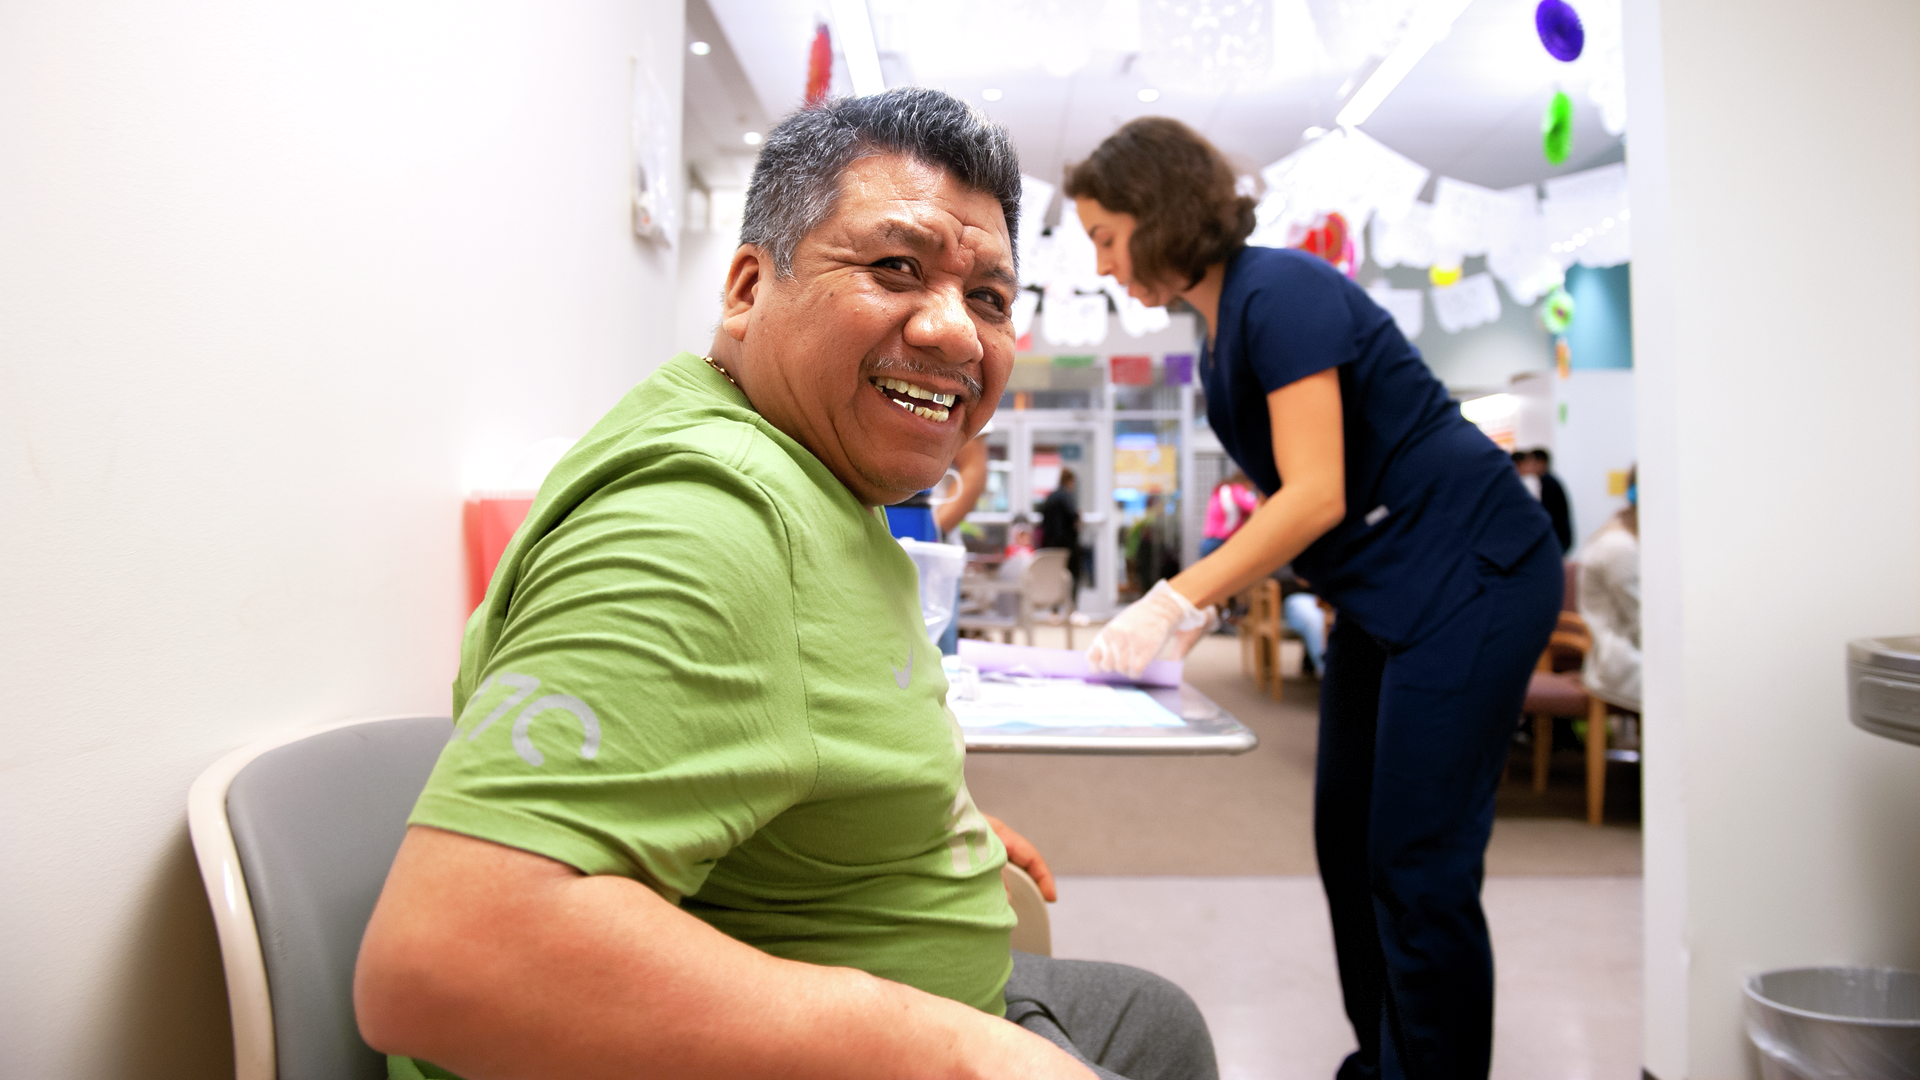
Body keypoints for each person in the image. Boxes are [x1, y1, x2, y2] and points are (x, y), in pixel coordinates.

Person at [354, 89, 1216, 1080]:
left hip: (895, 979)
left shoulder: (819, 474)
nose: (956, 333)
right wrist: (949, 1052)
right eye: (896, 267)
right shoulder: (708, 517)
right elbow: (444, 962)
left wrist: (923, 823)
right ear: (748, 288)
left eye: (988, 297)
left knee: (1153, 1019)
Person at [1069, 117, 1560, 1080]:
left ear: (1157, 215)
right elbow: (1309, 498)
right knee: (1349, 842)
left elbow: (1319, 490)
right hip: (1391, 595)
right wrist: (1216, 592)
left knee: (1420, 865)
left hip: (1475, 575)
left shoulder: (1281, 290)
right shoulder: (1225, 324)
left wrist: (1174, 595)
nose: (1099, 263)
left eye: (1104, 235)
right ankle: (1383, 1060)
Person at [1577, 466, 1639, 711]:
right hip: (1619, 659)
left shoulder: (1623, 536)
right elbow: (1639, 616)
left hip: (1625, 648)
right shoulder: (1619, 546)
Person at [1038, 466, 1081, 585]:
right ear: (1070, 481)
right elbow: (1072, 515)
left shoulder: (1051, 496)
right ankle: (1070, 601)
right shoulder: (1066, 496)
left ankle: (1053, 601)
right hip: (1065, 543)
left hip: (1050, 542)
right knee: (1072, 575)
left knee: (1053, 573)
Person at [1199, 472, 1258, 559]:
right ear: (1246, 482)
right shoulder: (1235, 489)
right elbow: (1252, 506)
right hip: (1220, 541)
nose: (1250, 490)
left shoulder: (1222, 490)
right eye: (1250, 486)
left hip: (1208, 540)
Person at [1529, 448, 1574, 554]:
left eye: (1532, 462)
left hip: (1557, 538)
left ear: (1541, 462)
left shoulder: (1549, 483)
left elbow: (1548, 514)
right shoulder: (1547, 481)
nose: (1529, 466)